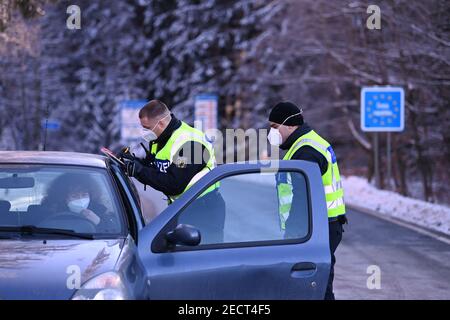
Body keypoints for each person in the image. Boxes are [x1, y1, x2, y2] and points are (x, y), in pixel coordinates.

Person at [267, 101, 347, 300]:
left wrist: (293, 234)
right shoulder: (304, 144)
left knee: (316, 289)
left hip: (316, 229)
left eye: (275, 127)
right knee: (315, 286)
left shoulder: (307, 151)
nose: (271, 132)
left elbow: (304, 199)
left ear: (290, 125)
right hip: (324, 226)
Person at [121, 100, 225, 244]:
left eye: (147, 128)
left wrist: (139, 171)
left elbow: (174, 184)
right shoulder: (160, 138)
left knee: (201, 260)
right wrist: (135, 162)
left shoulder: (192, 143)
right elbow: (156, 168)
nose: (144, 132)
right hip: (181, 207)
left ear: (161, 124)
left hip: (203, 210)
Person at [40, 173, 118, 233]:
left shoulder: (100, 211)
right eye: (74, 196)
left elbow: (115, 232)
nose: (80, 199)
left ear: (91, 195)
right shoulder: (50, 212)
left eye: (84, 195)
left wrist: (99, 222)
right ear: (63, 198)